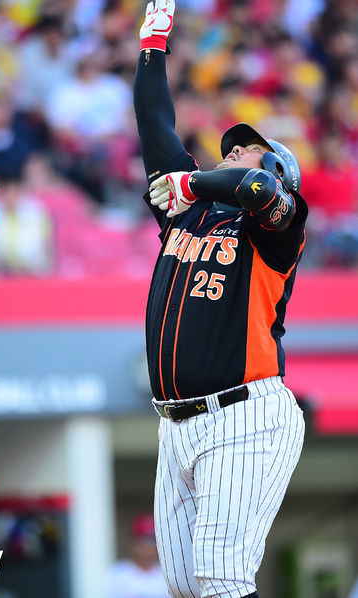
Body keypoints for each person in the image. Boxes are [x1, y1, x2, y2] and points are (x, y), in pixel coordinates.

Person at [133, 2, 308, 598]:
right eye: (232, 145)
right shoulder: (193, 211)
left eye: (249, 147)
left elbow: (255, 188)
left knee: (223, 579)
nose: (233, 150)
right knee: (186, 587)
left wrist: (192, 182)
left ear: (278, 169)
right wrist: (152, 47)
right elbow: (155, 129)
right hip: (175, 424)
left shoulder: (279, 224)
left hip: (244, 416)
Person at [107, 513, 170, 598]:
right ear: (133, 542)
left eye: (155, 540)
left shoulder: (170, 575)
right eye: (148, 540)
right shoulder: (116, 574)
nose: (153, 546)